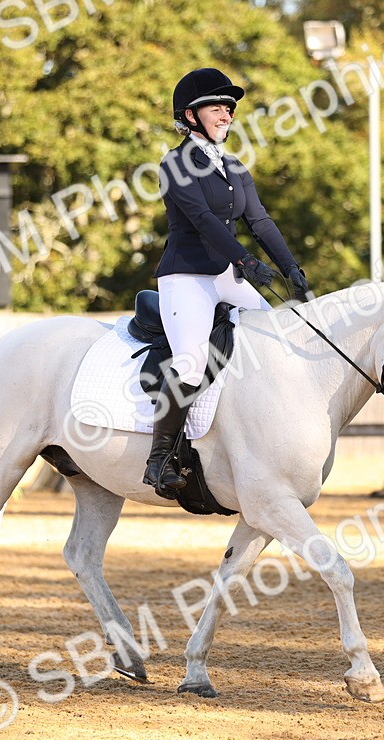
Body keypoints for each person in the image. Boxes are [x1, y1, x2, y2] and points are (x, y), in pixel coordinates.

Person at [143, 67, 309, 495]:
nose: (227, 114)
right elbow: (199, 220)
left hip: (228, 275)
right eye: (217, 107)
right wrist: (247, 261)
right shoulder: (175, 163)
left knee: (277, 343)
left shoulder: (233, 166)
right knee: (190, 363)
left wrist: (291, 268)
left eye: (230, 108)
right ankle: (159, 459)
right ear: (190, 115)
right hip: (187, 277)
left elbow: (260, 220)